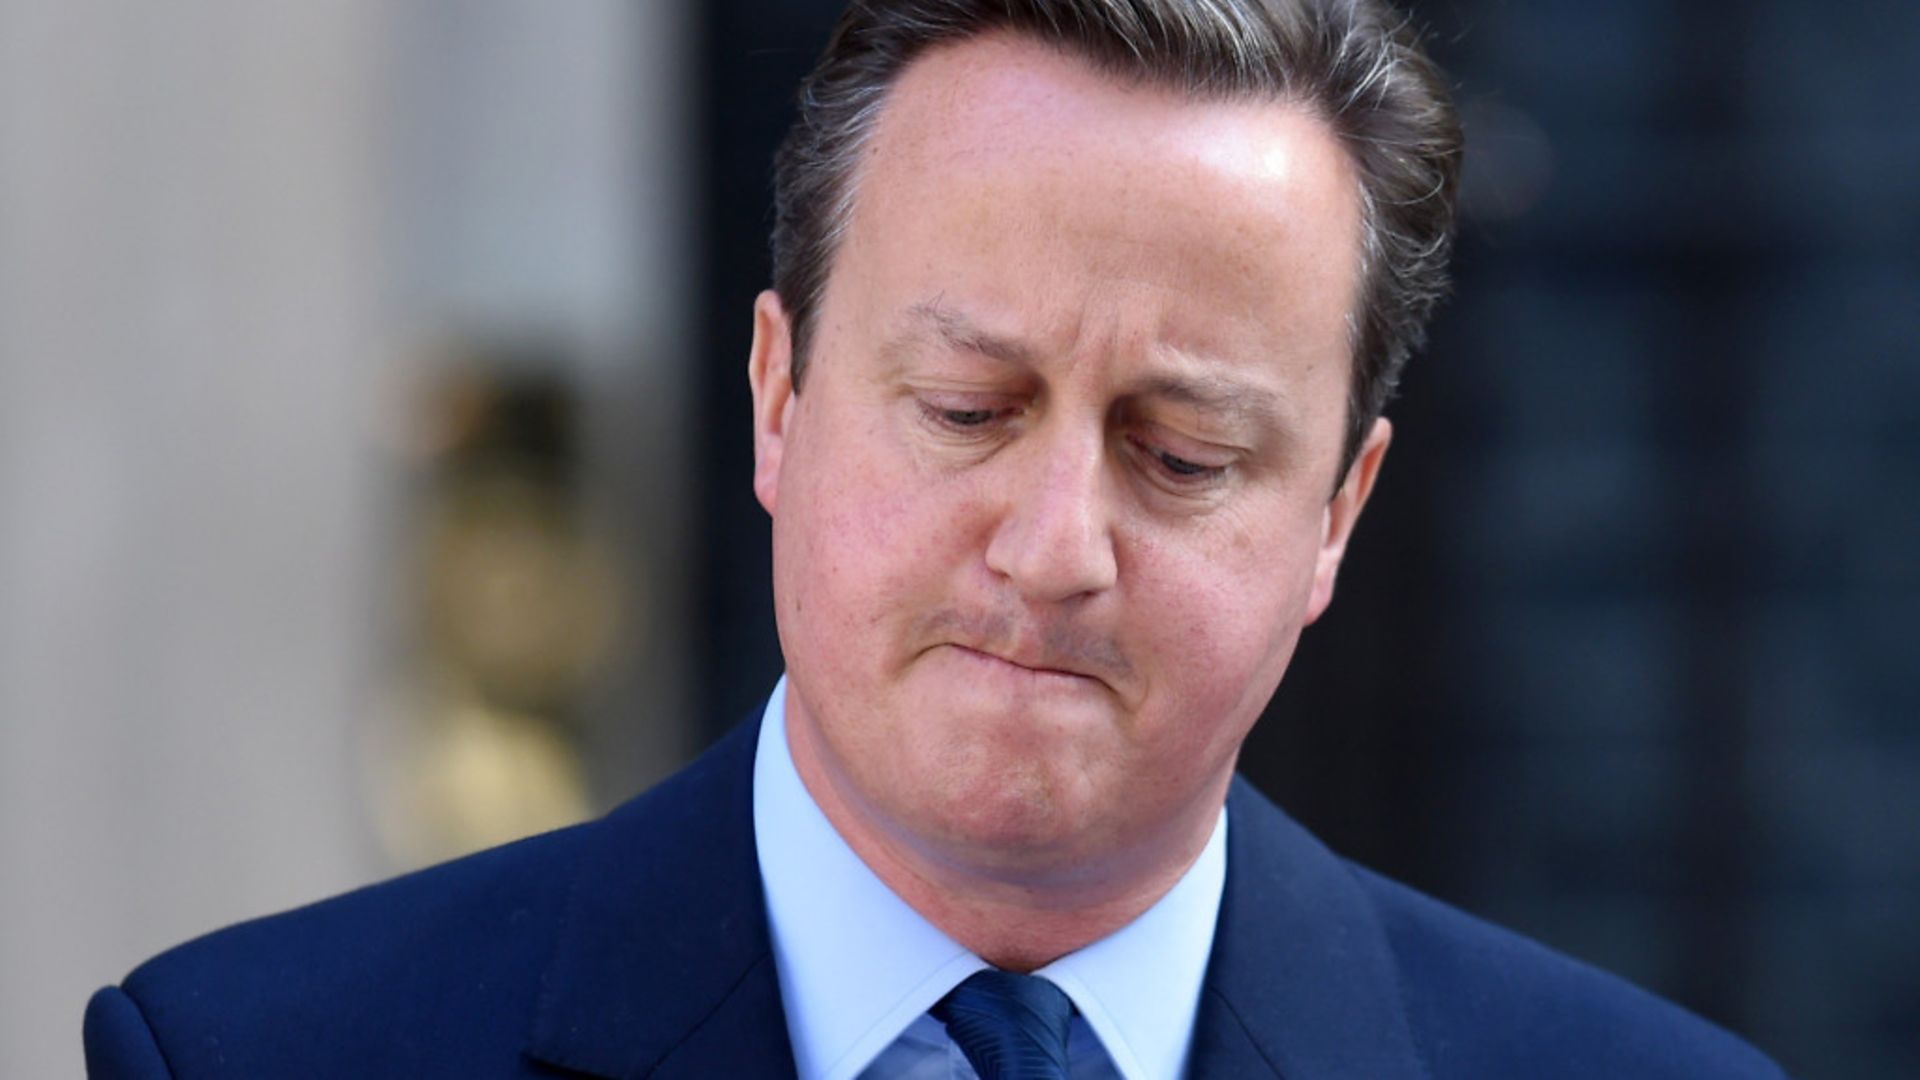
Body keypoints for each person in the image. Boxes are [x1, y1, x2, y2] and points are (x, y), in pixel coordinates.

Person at [84, 1, 1789, 1077]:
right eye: (969, 407)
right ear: (778, 397)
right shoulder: (259, 1054)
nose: (1055, 548)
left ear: (1339, 513)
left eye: (1182, 454)